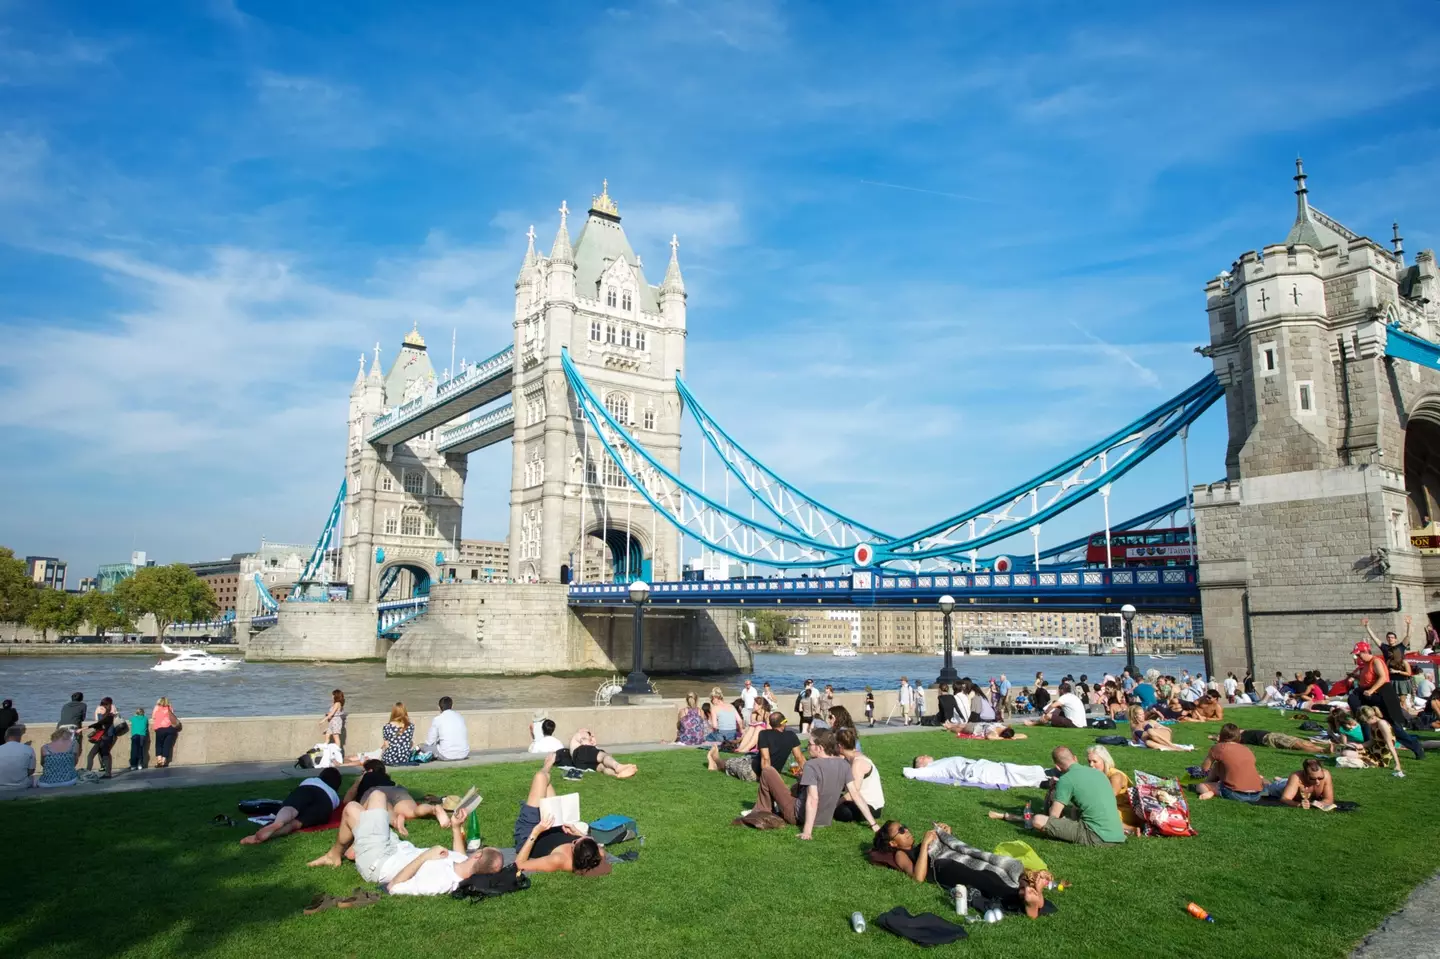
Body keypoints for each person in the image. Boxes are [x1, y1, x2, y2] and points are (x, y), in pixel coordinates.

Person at [307, 786, 495, 893]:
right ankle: (351, 848)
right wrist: (455, 827)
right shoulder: (463, 865)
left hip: (380, 861)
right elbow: (460, 855)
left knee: (362, 803)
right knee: (365, 807)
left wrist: (426, 856)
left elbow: (393, 886)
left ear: (477, 855)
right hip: (395, 847)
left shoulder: (443, 882)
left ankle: (339, 853)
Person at [868, 821, 1053, 919]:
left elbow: (955, 847)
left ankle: (1027, 886)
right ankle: (1027, 903)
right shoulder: (901, 855)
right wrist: (925, 845)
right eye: (900, 831)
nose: (906, 830)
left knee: (996, 866)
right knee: (985, 879)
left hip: (958, 858)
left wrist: (946, 835)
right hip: (943, 867)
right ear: (892, 843)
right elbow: (918, 877)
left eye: (904, 826)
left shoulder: (915, 845)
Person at [988, 746, 1125, 845]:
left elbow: (1053, 817)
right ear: (1075, 758)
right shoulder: (1098, 774)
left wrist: (1053, 789)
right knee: (1071, 810)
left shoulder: (1066, 779)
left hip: (1097, 836)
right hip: (1117, 833)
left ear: (1058, 767)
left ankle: (1012, 817)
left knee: (1038, 820)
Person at [511, 754, 609, 875]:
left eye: (575, 841)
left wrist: (536, 831)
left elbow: (519, 864)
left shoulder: (559, 860)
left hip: (531, 833)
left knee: (541, 777)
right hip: (554, 826)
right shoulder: (596, 854)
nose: (576, 838)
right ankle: (547, 770)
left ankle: (546, 766)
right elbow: (596, 848)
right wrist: (578, 833)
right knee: (547, 783)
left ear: (573, 851)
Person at [747, 730, 851, 839]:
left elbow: (813, 799)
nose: (808, 746)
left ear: (820, 748)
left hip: (797, 815)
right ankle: (770, 808)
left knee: (768, 771)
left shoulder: (812, 765)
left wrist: (807, 832)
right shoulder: (843, 764)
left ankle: (763, 811)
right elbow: (855, 794)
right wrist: (871, 823)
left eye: (810, 744)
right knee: (792, 787)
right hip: (824, 818)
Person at [1350, 635, 1425, 760]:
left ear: (1365, 652)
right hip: (1373, 695)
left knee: (1394, 727)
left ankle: (1416, 747)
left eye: (1359, 655)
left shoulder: (1376, 661)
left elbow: (1383, 678)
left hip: (1385, 694)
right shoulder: (1366, 665)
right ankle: (1368, 746)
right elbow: (1367, 681)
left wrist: (1371, 690)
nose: (1358, 658)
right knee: (1364, 718)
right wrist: (1357, 678)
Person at [340, 758, 457, 836]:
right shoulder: (386, 777)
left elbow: (347, 800)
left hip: (374, 793)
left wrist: (358, 781)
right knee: (413, 811)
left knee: (386, 808)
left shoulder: (365, 777)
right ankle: (433, 809)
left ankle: (395, 821)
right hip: (396, 791)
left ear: (369, 770)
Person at [241, 768, 346, 844]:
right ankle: (266, 836)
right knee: (294, 824)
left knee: (291, 809)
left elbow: (297, 797)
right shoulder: (335, 796)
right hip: (325, 804)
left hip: (308, 789)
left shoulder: (312, 780)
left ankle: (278, 823)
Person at [1195, 724, 1265, 801]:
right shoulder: (1247, 749)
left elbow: (1204, 768)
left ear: (1221, 735)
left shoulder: (1219, 747)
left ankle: (1211, 791)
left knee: (1200, 786)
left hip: (1236, 793)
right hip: (1256, 794)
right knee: (1218, 765)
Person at [832, 726, 884, 830]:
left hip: (871, 806)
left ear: (840, 746)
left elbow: (853, 794)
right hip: (860, 801)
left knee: (840, 811)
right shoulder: (851, 757)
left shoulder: (858, 763)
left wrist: (873, 824)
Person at [1086, 745, 1142, 836]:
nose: (1091, 765)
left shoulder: (1116, 776)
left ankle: (1129, 829)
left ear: (1104, 761)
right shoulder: (1099, 775)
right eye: (1089, 761)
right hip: (1115, 808)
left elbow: (1110, 796)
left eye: (1095, 761)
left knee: (1094, 815)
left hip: (1126, 810)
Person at [558, 728, 637, 778]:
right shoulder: (581, 734)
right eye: (591, 735)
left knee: (602, 767)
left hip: (579, 764)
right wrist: (591, 739)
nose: (592, 737)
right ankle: (618, 767)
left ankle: (616, 775)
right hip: (581, 752)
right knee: (603, 756)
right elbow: (585, 743)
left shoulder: (576, 743)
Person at [1263, 758, 1336, 810]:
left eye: (1320, 778)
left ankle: (1281, 779)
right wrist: (1299, 805)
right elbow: (1285, 799)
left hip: (1291, 784)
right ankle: (1262, 778)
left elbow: (1329, 799)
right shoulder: (1296, 777)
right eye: (1312, 778)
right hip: (1281, 788)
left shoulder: (1326, 775)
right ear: (1304, 774)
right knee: (1267, 786)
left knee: (1287, 782)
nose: (1317, 782)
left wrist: (1316, 804)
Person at [1357, 705, 1406, 777]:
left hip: (1382, 754)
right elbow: (1372, 741)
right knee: (1348, 752)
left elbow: (1390, 745)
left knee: (1350, 754)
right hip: (1374, 750)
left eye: (1365, 721)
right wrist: (1360, 745)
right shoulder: (1372, 725)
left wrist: (1397, 764)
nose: (1365, 723)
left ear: (1372, 717)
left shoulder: (1382, 724)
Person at [1219, 726, 1328, 754]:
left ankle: (1324, 749)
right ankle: (1322, 751)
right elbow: (1225, 740)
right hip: (1269, 738)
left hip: (1273, 734)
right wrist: (1216, 738)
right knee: (1297, 745)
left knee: (1302, 742)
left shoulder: (1241, 732)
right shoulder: (1237, 738)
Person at [423, 696, 470, 761]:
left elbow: (430, 741)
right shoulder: (460, 716)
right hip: (464, 753)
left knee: (422, 747)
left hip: (447, 755)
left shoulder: (438, 719)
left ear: (439, 707)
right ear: (452, 706)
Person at [84, 696, 118, 778]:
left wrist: (84, 728)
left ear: (107, 707)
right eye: (100, 708)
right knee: (103, 755)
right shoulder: (106, 714)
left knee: (100, 755)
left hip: (105, 738)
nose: (100, 710)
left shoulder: (109, 716)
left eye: (102, 708)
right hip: (103, 738)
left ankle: (104, 773)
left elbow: (98, 723)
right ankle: (107, 773)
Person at [0, 724, 35, 789]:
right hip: (22, 786)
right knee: (32, 778)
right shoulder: (29, 749)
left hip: (1, 787)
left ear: (5, 737)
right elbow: (31, 771)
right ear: (19, 737)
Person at [152, 697, 180, 767]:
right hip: (170, 729)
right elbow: (172, 716)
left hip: (160, 728)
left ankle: (159, 760)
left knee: (159, 744)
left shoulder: (157, 707)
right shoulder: (169, 707)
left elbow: (153, 717)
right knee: (167, 745)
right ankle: (164, 761)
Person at [948, 720, 1026, 740]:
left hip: (977, 725)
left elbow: (1024, 735)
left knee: (961, 727)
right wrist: (1002, 738)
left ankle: (949, 726)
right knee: (959, 729)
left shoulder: (1002, 727)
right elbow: (989, 737)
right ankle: (949, 727)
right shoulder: (995, 733)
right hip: (975, 728)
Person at [127, 707, 149, 771]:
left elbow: (129, 720)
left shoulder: (133, 718)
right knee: (140, 750)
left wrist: (135, 716)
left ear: (136, 713)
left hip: (135, 736)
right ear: (143, 713)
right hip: (142, 736)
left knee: (134, 750)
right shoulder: (145, 718)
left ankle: (133, 765)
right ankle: (140, 764)